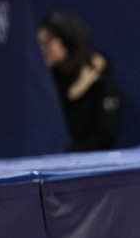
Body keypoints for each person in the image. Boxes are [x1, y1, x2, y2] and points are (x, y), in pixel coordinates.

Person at [37, 11, 123, 151]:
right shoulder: (42, 82)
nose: (43, 49)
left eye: (48, 42)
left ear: (67, 41)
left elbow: (105, 136)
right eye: (39, 43)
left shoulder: (99, 80)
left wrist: (66, 153)